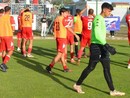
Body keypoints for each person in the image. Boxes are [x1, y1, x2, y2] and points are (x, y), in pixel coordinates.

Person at [73, 2, 125, 96]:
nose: (110, 13)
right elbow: (96, 34)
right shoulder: (97, 18)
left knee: (107, 69)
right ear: (104, 10)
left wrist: (105, 46)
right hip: (96, 47)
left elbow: (100, 34)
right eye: (109, 11)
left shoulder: (101, 19)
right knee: (91, 67)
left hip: (103, 47)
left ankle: (112, 90)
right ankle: (77, 84)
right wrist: (107, 45)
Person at [46, 8, 79, 73]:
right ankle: (49, 67)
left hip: (58, 37)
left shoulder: (56, 18)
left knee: (62, 53)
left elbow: (54, 28)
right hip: (62, 38)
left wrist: (55, 34)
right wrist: (75, 34)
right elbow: (68, 28)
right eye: (66, 13)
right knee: (60, 54)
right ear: (62, 13)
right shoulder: (62, 19)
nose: (67, 14)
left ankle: (65, 67)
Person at [0, 6, 15, 72]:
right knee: (11, 50)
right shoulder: (10, 17)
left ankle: (4, 66)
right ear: (9, 11)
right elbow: (13, 28)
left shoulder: (1, 18)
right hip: (8, 35)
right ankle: (4, 63)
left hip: (1, 35)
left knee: (4, 50)